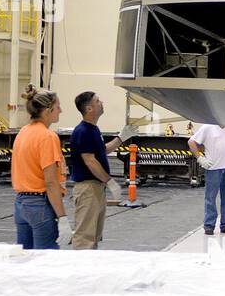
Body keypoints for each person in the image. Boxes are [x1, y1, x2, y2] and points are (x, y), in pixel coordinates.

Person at [67, 91, 134, 250]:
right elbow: (90, 160)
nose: (101, 102)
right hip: (88, 188)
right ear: (89, 108)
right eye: (98, 101)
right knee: (85, 237)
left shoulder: (93, 130)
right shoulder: (83, 131)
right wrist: (109, 181)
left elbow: (102, 151)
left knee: (94, 235)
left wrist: (121, 138)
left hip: (95, 188)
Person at [11, 86, 67, 250]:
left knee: (25, 259)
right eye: (57, 107)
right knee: (46, 260)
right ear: (47, 110)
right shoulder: (48, 137)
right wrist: (62, 217)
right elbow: (51, 182)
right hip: (39, 204)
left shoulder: (23, 132)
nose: (60, 111)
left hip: (21, 204)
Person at [189, 124, 225, 235]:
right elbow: (191, 142)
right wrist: (200, 158)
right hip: (213, 168)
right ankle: (209, 225)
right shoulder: (207, 127)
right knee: (210, 198)